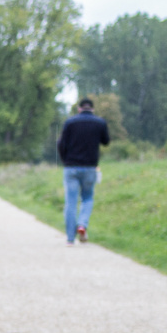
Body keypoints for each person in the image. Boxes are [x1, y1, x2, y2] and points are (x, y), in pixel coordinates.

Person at [56, 97, 111, 244]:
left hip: (71, 167)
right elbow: (106, 141)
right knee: (87, 198)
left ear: (79, 108)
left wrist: (65, 160)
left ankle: (69, 238)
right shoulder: (99, 122)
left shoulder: (70, 123)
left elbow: (60, 143)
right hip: (90, 167)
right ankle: (82, 224)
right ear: (92, 109)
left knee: (71, 202)